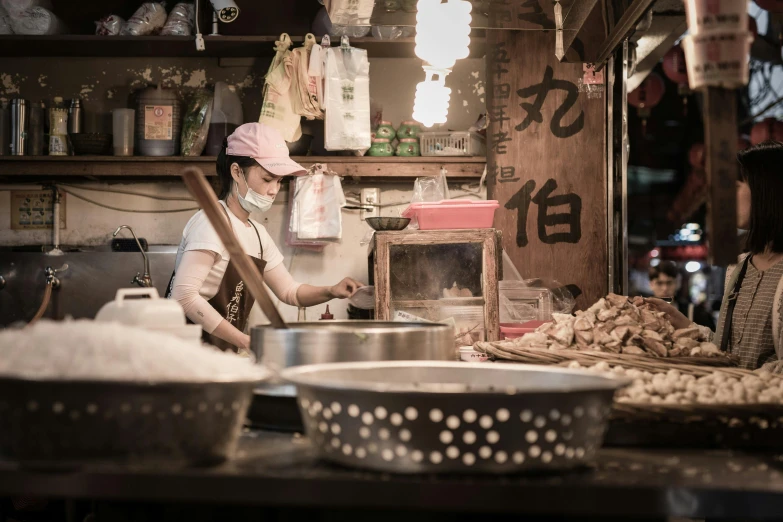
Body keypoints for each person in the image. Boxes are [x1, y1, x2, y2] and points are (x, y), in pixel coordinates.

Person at [168, 123, 363, 353]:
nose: (274, 189)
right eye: (268, 178)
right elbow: (184, 296)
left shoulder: (258, 235)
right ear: (236, 172)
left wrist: (332, 290)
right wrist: (245, 341)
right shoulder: (211, 222)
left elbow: (289, 292)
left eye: (279, 181)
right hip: (183, 353)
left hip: (218, 357)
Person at [640, 141, 783, 370]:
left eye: (735, 187)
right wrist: (682, 322)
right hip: (732, 401)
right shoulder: (738, 268)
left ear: (766, 192)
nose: (725, 199)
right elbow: (728, 352)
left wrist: (755, 378)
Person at [647, 261, 715, 330]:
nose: (665, 288)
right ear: (651, 285)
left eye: (669, 283)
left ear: (676, 283)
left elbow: (712, 337)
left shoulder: (695, 312)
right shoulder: (643, 313)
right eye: (659, 283)